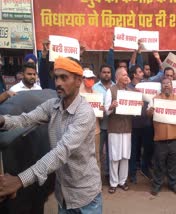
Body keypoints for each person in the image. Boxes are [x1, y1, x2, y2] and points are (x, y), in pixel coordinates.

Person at [0, 57, 102, 213]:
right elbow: (26, 119)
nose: (58, 83)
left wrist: (19, 180)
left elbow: (60, 153)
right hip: (63, 195)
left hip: (85, 196)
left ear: (78, 80)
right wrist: (2, 121)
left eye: (64, 77)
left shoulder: (84, 113)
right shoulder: (52, 106)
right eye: (56, 77)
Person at [147, 77, 176, 196]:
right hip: (159, 138)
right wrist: (150, 111)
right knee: (159, 162)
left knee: (172, 163)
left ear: (172, 86)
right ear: (161, 86)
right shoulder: (155, 99)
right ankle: (157, 184)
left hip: (174, 137)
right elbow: (148, 113)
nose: (166, 85)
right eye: (164, 83)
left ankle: (173, 183)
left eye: (168, 83)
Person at [105, 67, 133, 194]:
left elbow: (135, 110)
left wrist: (138, 105)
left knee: (125, 156)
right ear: (117, 78)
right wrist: (111, 106)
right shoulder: (111, 91)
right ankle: (113, 183)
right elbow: (106, 111)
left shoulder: (131, 91)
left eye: (127, 75)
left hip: (127, 128)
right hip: (115, 128)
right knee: (114, 156)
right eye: (124, 75)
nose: (126, 77)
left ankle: (122, 181)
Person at [93, 64, 115, 183]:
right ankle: (97, 178)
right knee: (98, 153)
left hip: (113, 126)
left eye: (108, 72)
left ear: (111, 74)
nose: (106, 74)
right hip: (100, 126)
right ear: (100, 74)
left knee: (112, 153)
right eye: (104, 72)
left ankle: (109, 175)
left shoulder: (116, 87)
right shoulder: (94, 88)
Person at [80, 69, 103, 178]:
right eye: (88, 78)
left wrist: (101, 109)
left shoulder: (97, 94)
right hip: (81, 131)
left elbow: (100, 114)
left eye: (92, 78)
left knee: (96, 156)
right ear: (83, 79)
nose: (91, 80)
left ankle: (96, 181)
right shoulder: (78, 95)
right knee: (82, 156)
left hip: (95, 130)